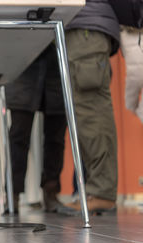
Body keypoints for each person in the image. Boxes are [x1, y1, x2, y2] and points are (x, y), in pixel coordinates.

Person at [63, 0, 120, 212]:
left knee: (91, 111)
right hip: (83, 26)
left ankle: (102, 193)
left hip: (85, 25)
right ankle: (97, 190)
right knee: (86, 111)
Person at [5, 43, 67, 213]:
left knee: (56, 137)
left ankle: (51, 192)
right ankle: (13, 195)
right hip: (23, 61)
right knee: (18, 136)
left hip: (58, 61)